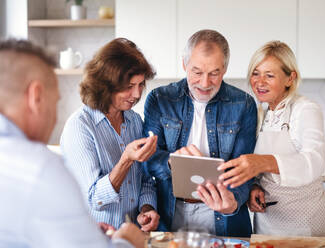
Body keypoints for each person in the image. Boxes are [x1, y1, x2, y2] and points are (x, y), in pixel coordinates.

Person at [0, 39, 145, 248]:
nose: (54, 117)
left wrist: (85, 231)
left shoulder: (133, 121)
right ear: (36, 96)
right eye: (56, 101)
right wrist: (128, 241)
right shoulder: (41, 168)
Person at [143, 29, 257, 237]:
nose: (205, 83)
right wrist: (172, 161)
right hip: (170, 210)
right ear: (185, 64)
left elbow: (245, 169)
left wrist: (233, 202)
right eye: (197, 72)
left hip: (220, 214)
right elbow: (146, 161)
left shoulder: (244, 104)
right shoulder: (159, 99)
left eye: (214, 73)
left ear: (224, 69)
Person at [217, 40, 325, 236]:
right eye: (255, 73)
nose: (259, 82)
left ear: (290, 78)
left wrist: (263, 162)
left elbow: (314, 161)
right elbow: (262, 170)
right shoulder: (260, 114)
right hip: (268, 222)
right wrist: (255, 185)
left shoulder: (305, 109)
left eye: (269, 75)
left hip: (307, 223)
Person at [60, 38, 159, 231]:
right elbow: (94, 198)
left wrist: (147, 208)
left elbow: (145, 178)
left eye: (140, 85)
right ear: (106, 85)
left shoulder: (134, 121)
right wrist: (126, 160)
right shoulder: (80, 127)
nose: (138, 94)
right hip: (95, 239)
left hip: (132, 238)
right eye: (129, 86)